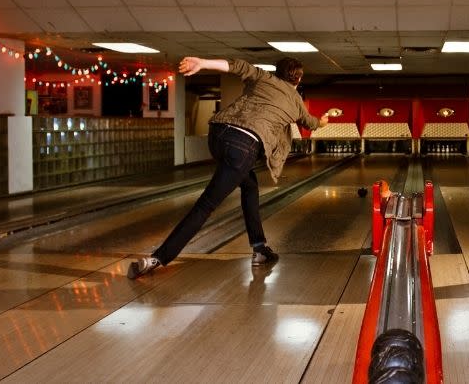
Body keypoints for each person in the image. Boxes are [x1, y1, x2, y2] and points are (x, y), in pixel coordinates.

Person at [127, 56, 329, 279]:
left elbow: (237, 65)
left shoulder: (263, 77)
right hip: (243, 147)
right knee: (205, 205)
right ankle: (157, 258)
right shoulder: (295, 101)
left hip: (218, 134)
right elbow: (312, 123)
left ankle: (260, 248)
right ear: (298, 78)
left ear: (277, 71)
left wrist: (202, 63)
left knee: (249, 185)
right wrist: (325, 120)